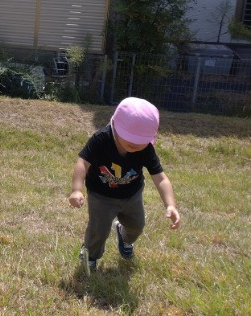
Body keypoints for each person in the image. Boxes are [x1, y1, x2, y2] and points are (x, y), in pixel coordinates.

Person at [69, 97, 181, 274]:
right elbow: (83, 162)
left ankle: (124, 236)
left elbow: (160, 178)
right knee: (99, 229)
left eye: (141, 140)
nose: (136, 145)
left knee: (137, 225)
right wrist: (76, 189)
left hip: (131, 195)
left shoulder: (146, 149)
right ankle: (90, 255)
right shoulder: (101, 139)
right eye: (130, 140)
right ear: (115, 125)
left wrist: (171, 205)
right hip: (101, 195)